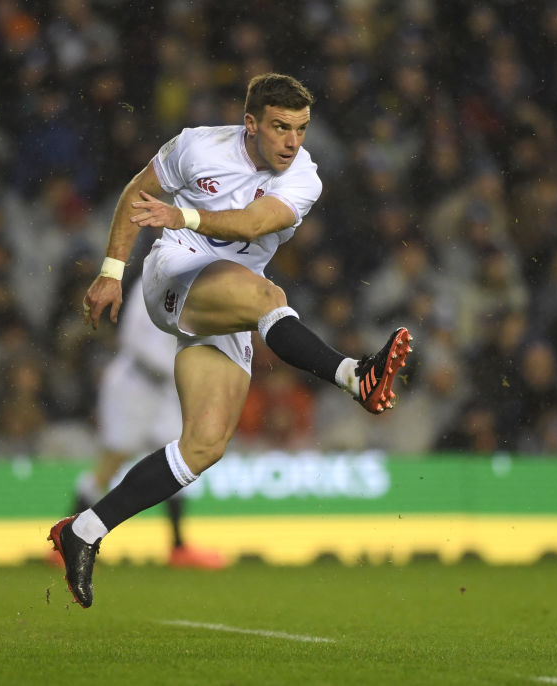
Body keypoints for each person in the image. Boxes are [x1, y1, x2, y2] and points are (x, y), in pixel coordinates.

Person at [48, 73, 413, 607]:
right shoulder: (198, 146)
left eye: (302, 129)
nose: (292, 142)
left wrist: (185, 212)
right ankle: (355, 376)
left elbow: (249, 224)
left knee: (203, 446)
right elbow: (136, 192)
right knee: (269, 297)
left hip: (227, 300)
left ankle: (83, 531)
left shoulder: (304, 177)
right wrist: (110, 270)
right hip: (175, 273)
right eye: (281, 127)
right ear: (251, 123)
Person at [67, 280, 226, 569]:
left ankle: (178, 547)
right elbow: (133, 339)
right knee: (112, 462)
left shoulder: (199, 283)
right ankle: (67, 538)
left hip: (166, 390)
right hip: (134, 385)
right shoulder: (153, 281)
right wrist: (182, 366)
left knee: (178, 458)